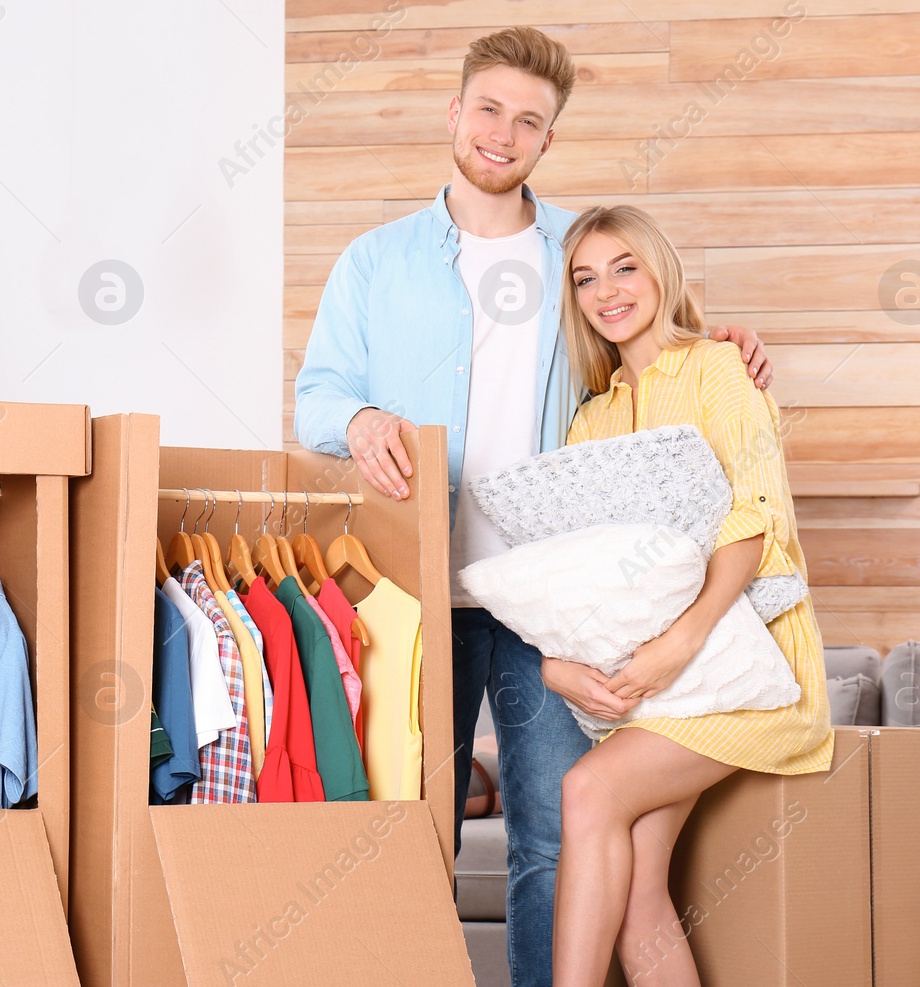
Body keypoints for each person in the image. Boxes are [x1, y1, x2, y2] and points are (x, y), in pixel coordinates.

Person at [292, 27, 775, 987]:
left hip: (553, 601)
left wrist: (719, 342)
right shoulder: (375, 261)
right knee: (401, 825)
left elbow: (646, 337)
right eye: (489, 110)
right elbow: (315, 396)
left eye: (529, 121)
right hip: (415, 588)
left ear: (548, 141)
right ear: (454, 113)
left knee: (552, 833)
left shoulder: (577, 255)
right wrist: (357, 419)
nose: (503, 134)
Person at [540, 204, 833, 986]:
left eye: (625, 265)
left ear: (660, 270)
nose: (607, 289)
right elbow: (578, 572)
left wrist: (679, 641)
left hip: (745, 676)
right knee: (637, 892)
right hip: (655, 694)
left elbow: (753, 520)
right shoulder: (590, 420)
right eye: (585, 277)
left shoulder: (717, 369)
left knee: (587, 786)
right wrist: (553, 666)